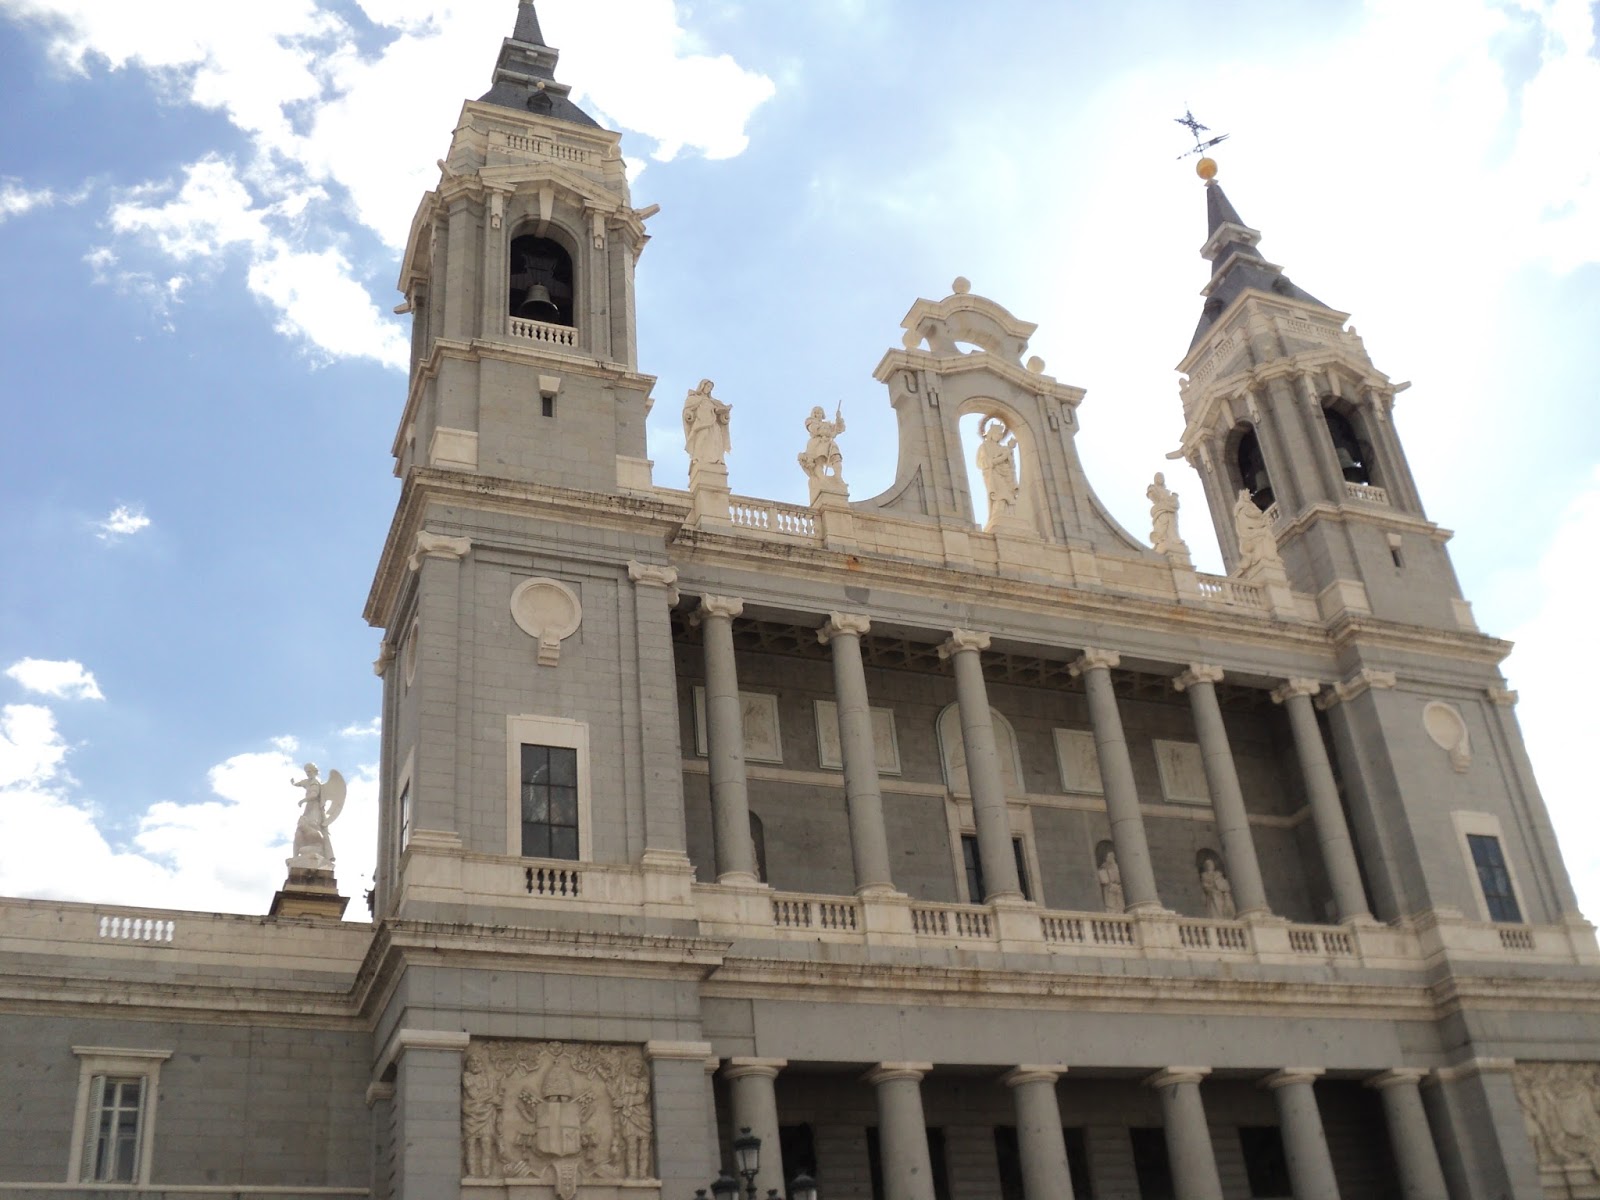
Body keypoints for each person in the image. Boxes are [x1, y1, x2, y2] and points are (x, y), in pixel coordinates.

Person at [682, 379, 731, 469]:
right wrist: (689, 414)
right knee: (701, 439)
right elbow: (687, 409)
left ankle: (718, 459)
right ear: (702, 386)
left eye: (710, 388)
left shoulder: (713, 401)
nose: (709, 389)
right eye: (708, 386)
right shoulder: (694, 398)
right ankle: (696, 457)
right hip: (701, 423)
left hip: (713, 423)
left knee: (716, 440)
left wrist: (724, 411)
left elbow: (719, 412)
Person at [976, 419, 1020, 519]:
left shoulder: (1002, 448)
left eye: (1001, 434)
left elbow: (1011, 464)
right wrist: (1001, 458)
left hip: (1006, 475)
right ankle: (998, 515)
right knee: (1001, 495)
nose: (999, 436)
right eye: (997, 434)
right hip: (993, 474)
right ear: (991, 434)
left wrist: (1009, 452)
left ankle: (1008, 516)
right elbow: (982, 463)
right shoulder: (984, 447)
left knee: (1009, 496)